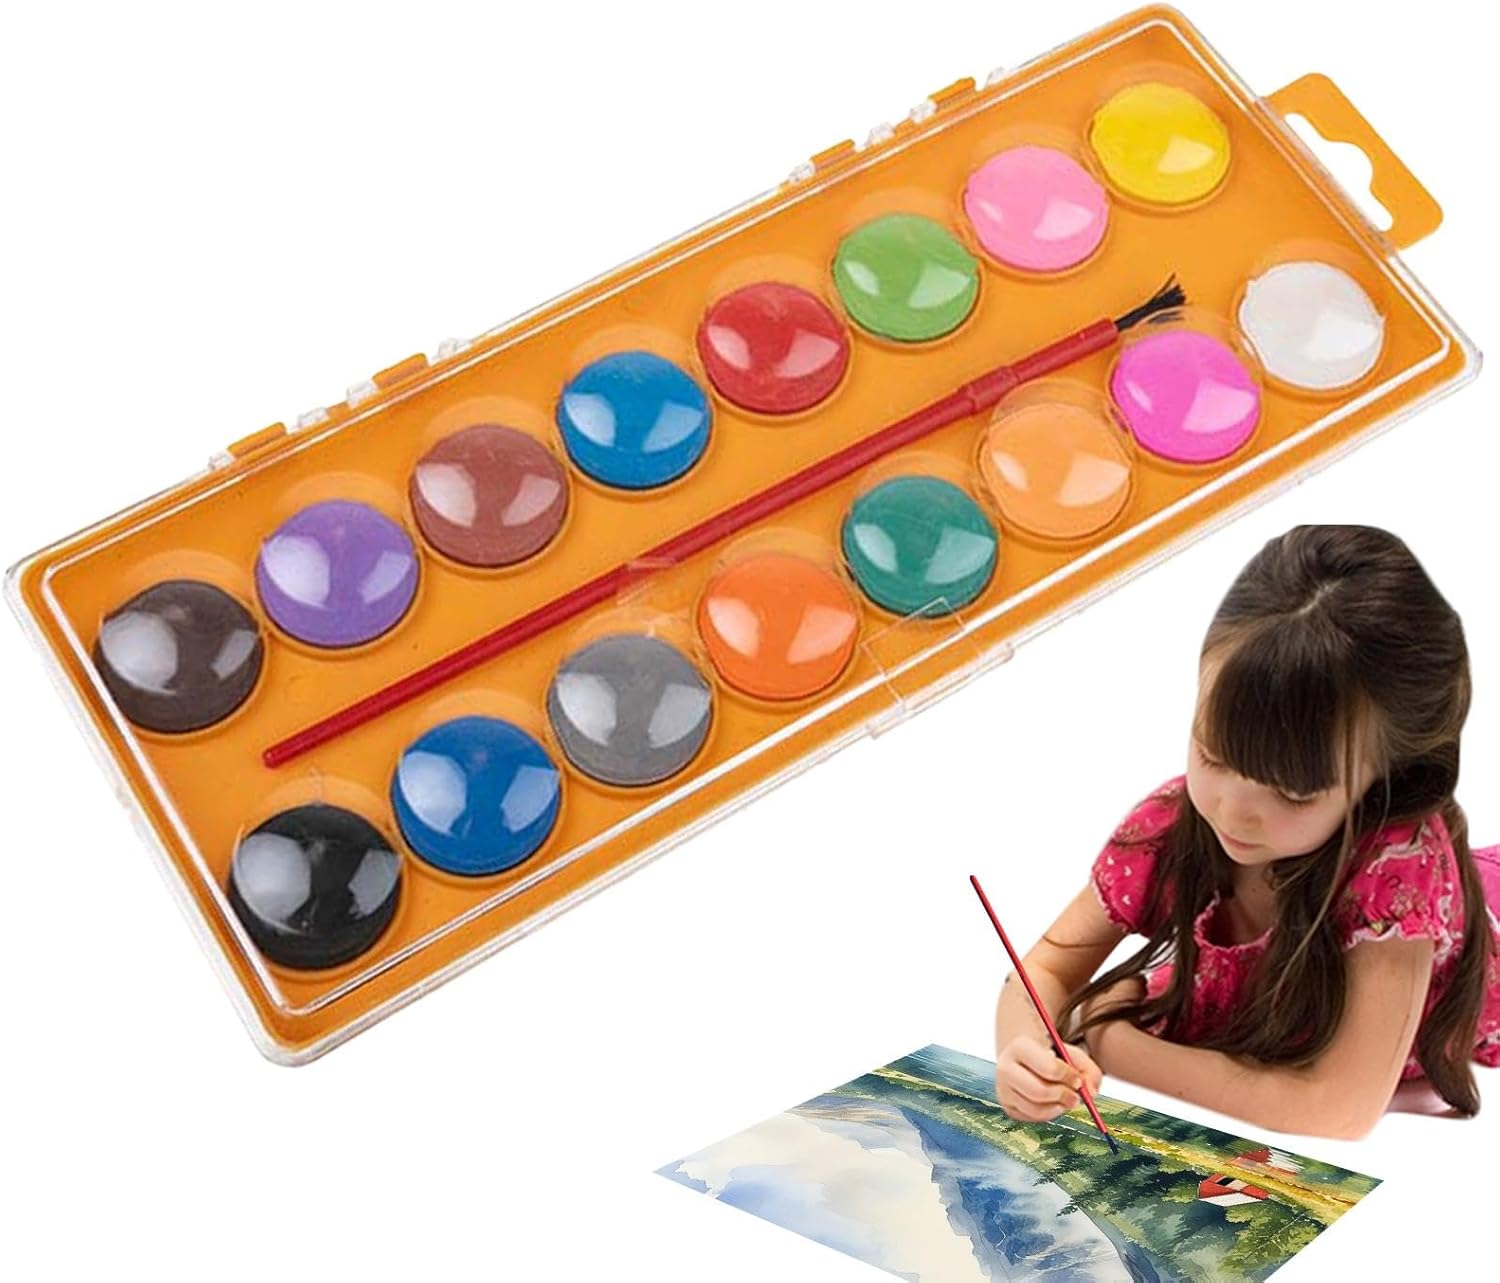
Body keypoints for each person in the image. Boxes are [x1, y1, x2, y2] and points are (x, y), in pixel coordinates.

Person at [992, 525, 1500, 1139]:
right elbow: (1044, 972)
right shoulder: (1170, 824)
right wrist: (1024, 1051)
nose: (1233, 813)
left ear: (1386, 781)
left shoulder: (1397, 877)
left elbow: (1338, 1110)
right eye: (1212, 754)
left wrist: (1110, 1042)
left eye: (1292, 794)